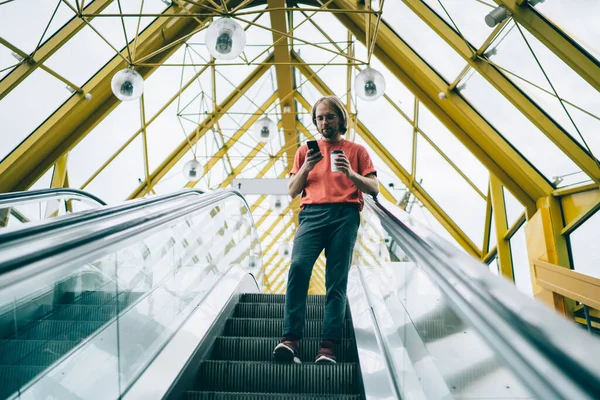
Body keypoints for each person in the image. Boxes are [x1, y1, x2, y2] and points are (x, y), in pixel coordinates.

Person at [272, 95, 379, 364]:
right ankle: (290, 339)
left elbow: (374, 187)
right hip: (311, 215)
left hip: (344, 215)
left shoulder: (357, 151)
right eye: (320, 117)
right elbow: (292, 190)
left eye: (329, 116)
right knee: (298, 267)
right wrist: (308, 165)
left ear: (340, 119)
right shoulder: (304, 152)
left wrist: (351, 174)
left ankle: (328, 346)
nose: (324, 122)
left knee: (336, 280)